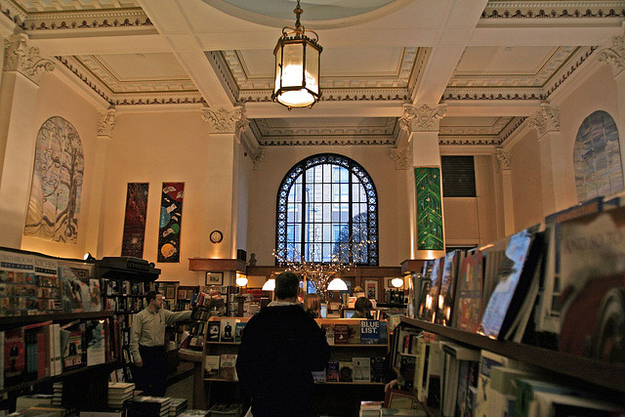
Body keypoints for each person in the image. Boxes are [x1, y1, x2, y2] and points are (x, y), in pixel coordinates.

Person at [236, 272, 331, 416]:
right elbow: (321, 359)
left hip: (265, 398)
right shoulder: (306, 322)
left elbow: (243, 364)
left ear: (275, 291)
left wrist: (253, 392)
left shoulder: (256, 322)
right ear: (297, 292)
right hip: (298, 397)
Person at [129, 290, 192, 397]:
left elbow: (176, 315)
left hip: (159, 352)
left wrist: (193, 313)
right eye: (159, 299)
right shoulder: (141, 316)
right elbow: (134, 339)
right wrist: (137, 357)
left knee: (160, 383)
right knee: (144, 383)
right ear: (151, 301)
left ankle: (159, 403)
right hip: (146, 352)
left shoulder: (163, 314)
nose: (161, 302)